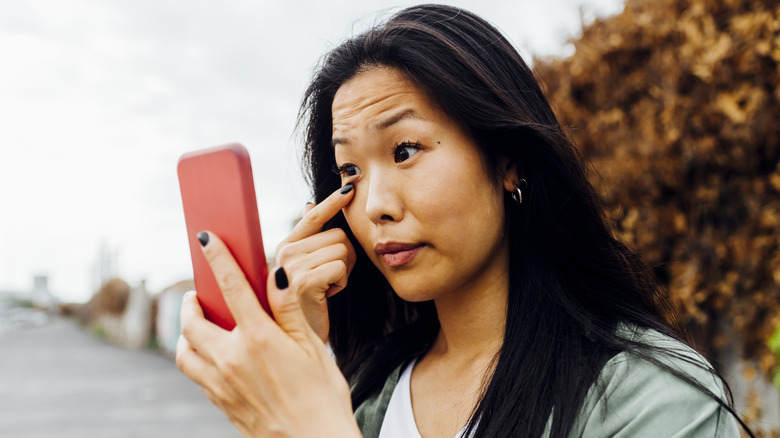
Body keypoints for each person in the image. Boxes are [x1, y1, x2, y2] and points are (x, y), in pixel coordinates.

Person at [176, 4, 751, 437]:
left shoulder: (652, 399)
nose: (373, 203)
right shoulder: (371, 395)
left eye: (405, 150)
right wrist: (305, 371)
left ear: (507, 162)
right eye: (348, 172)